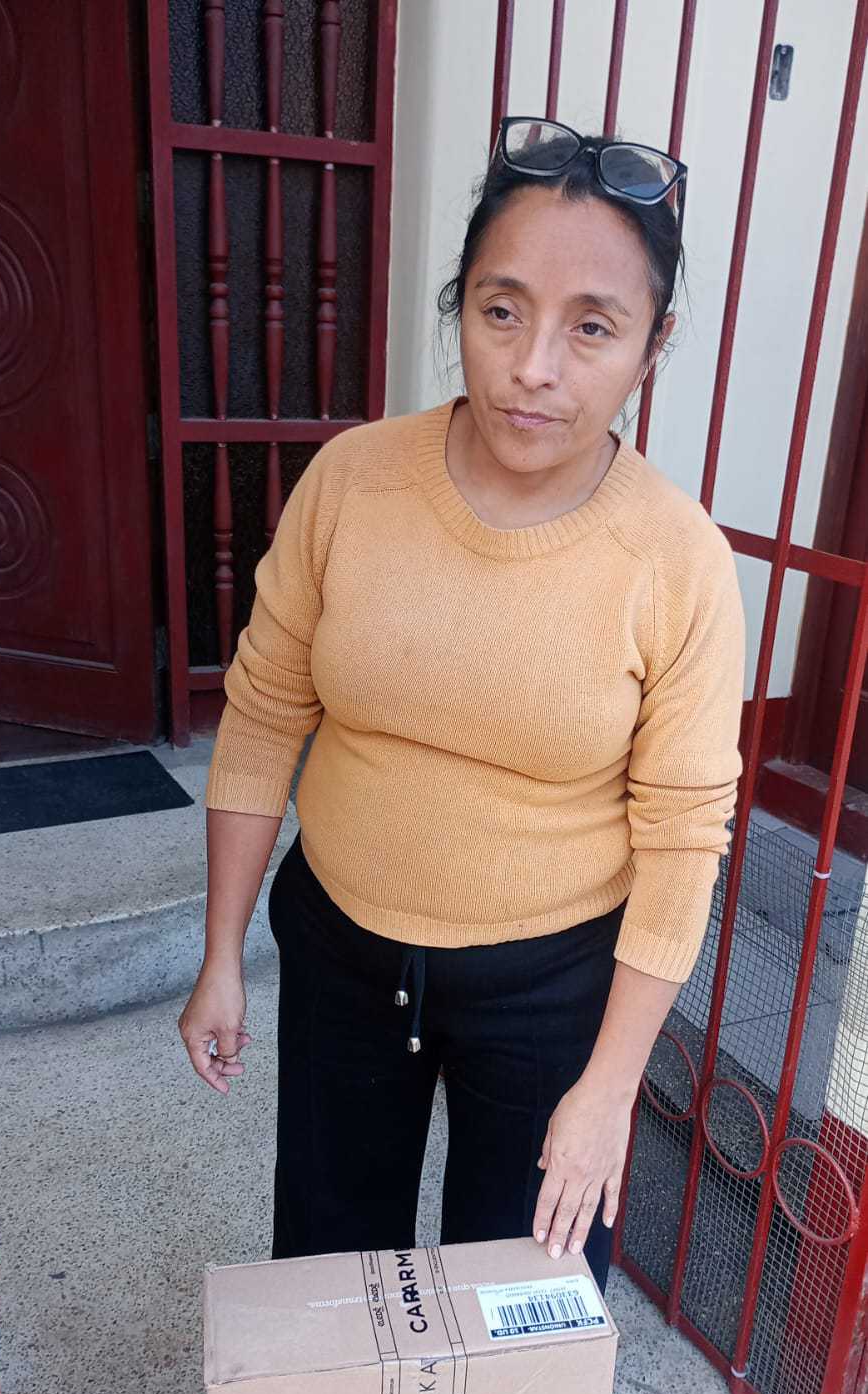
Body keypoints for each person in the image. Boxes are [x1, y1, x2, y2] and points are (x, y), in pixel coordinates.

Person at [178, 118, 745, 1300]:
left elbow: (682, 838)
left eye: (591, 327)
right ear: (460, 309)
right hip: (340, 951)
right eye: (501, 310)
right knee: (331, 1273)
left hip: (552, 991)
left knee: (522, 1301)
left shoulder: (674, 559)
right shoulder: (353, 481)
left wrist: (606, 1090)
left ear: (651, 346)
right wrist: (221, 954)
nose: (533, 366)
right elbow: (266, 712)